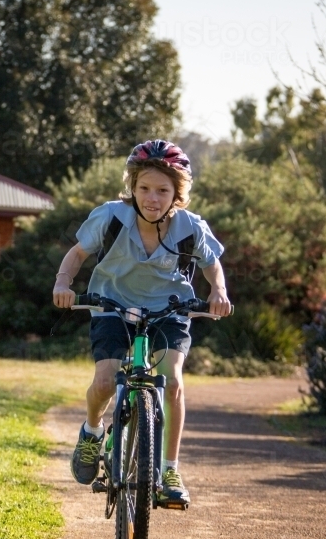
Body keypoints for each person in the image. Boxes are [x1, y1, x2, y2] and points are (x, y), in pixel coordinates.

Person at [52, 139, 231, 507]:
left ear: (176, 193)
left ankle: (169, 469)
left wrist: (219, 292)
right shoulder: (111, 217)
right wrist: (63, 283)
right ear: (132, 187)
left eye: (162, 190)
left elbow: (212, 263)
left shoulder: (190, 227)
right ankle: (91, 431)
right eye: (144, 188)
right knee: (105, 380)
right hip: (112, 306)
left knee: (174, 382)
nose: (152, 197)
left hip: (169, 310)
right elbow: (78, 253)